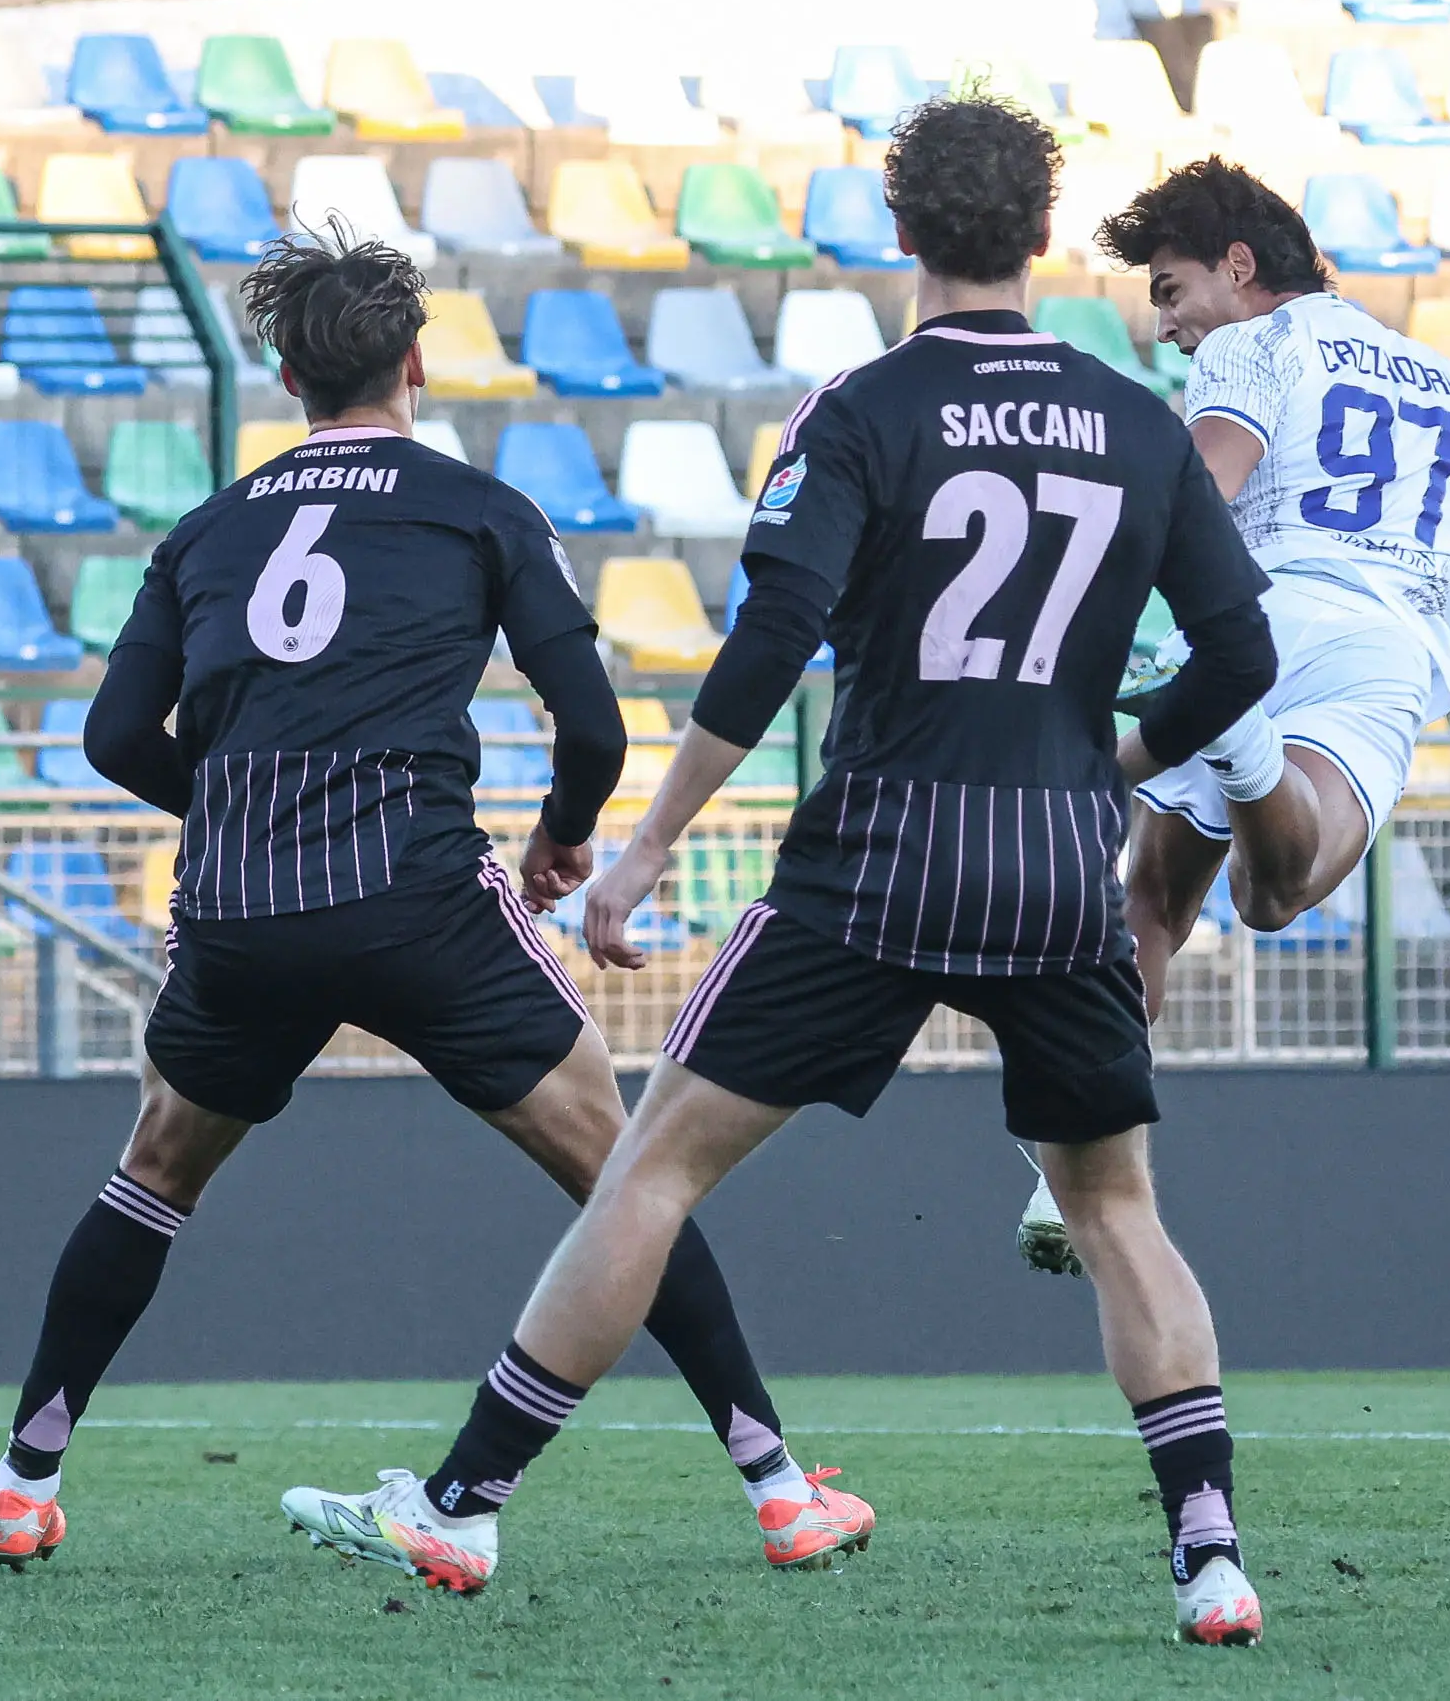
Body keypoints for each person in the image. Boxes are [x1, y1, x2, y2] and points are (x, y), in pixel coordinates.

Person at [276, 95, 1284, 1644]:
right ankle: (1209, 1553)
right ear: (1035, 233)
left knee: (654, 1165)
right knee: (1114, 1206)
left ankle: (462, 1507)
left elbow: (769, 645)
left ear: (896, 233)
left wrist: (647, 847)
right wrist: (1113, 760)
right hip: (1058, 866)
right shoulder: (1137, 420)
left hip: (878, 860)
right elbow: (1241, 652)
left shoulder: (863, 411)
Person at [0, 232, 864, 1582]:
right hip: (414, 893)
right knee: (628, 1173)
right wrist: (564, 842)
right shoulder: (479, 509)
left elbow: (109, 735)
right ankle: (780, 1486)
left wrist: (226, 816)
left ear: (281, 376)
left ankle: (21, 1481)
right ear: (416, 364)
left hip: (242, 905)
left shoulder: (206, 528)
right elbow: (594, 730)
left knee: (153, 1171)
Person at [1007, 160, 1450, 1270]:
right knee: (1278, 891)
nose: (1164, 325)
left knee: (1153, 899)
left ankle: (1069, 1172)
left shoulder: (1252, 348)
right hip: (1377, 641)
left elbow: (1202, 489)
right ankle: (1240, 733)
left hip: (1244, 620)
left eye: (1168, 290)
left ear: (1240, 266)